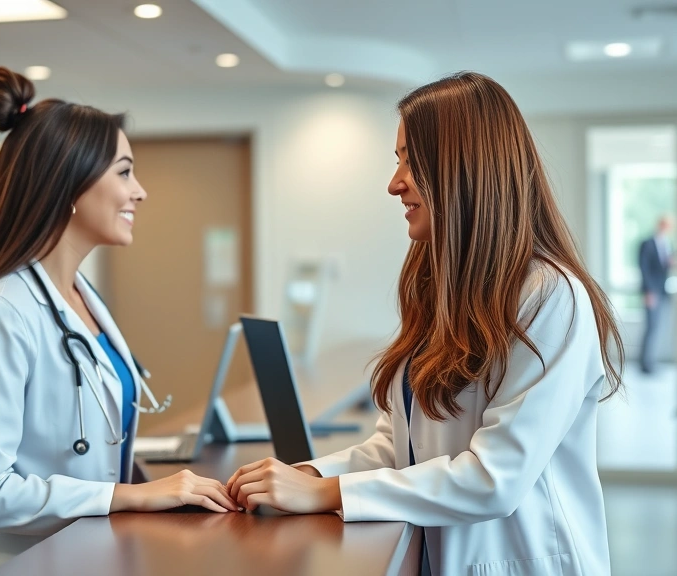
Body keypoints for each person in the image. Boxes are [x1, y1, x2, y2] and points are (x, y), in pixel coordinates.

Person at [226, 72, 624, 576]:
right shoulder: (442, 288)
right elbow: (398, 445)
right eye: (398, 162)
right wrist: (306, 474)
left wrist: (325, 492)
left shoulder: (550, 297)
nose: (395, 184)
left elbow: (493, 479)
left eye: (411, 163)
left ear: (465, 170)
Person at [0, 67, 236, 576]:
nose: (140, 192)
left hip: (82, 553)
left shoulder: (79, 296)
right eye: (125, 172)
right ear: (71, 183)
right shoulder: (2, 312)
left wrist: (146, 490)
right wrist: (129, 496)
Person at [638, 215, 674, 374]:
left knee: (658, 327)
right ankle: (646, 364)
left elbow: (664, 269)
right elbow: (644, 269)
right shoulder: (647, 244)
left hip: (663, 291)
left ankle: (652, 361)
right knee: (651, 327)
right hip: (652, 293)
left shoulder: (667, 245)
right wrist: (648, 292)